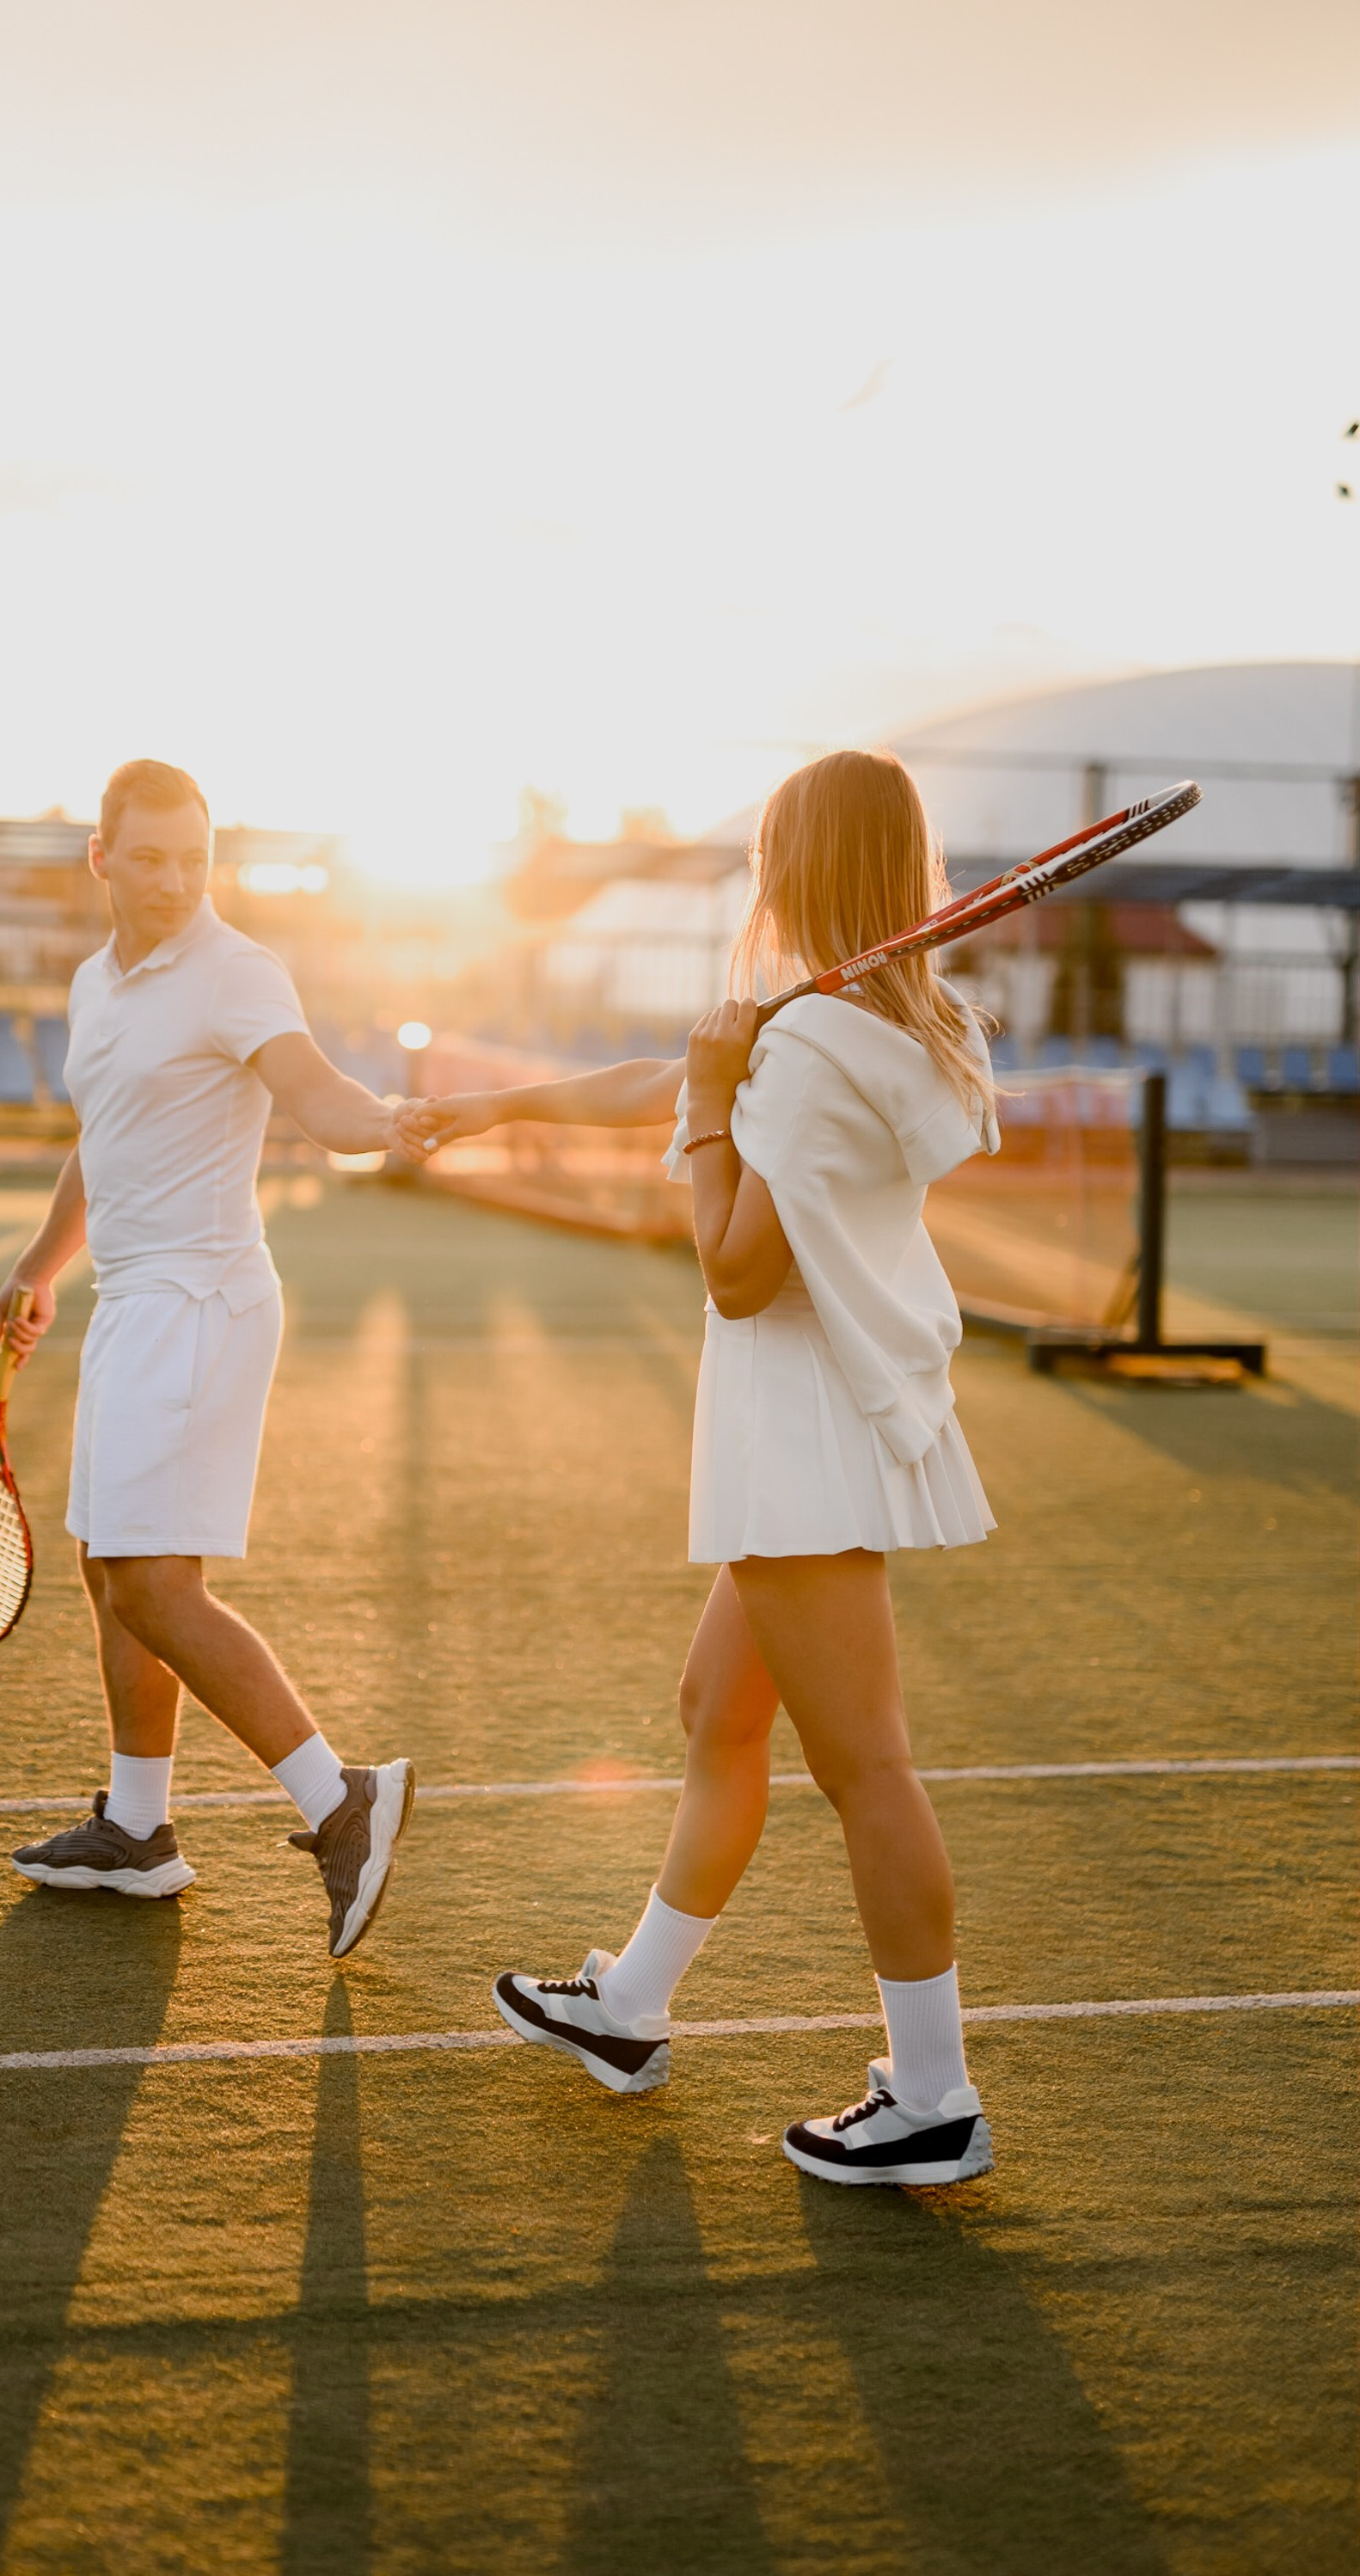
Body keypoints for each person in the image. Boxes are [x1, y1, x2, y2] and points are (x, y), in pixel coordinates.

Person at [411, 749, 999, 2185]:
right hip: (807, 1427)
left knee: (870, 1772)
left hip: (793, 1432)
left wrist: (709, 1106)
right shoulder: (857, 1024)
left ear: (799, 866)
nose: (754, 874)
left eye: (767, 853)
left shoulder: (804, 1051)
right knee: (712, 1712)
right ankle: (629, 2008)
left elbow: (735, 1268)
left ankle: (935, 2100)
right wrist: (502, 1110)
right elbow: (687, 1079)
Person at [0, 758, 420, 1955]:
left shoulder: (238, 972)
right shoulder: (97, 985)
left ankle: (344, 1802)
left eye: (195, 857)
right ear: (102, 859)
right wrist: (40, 1265)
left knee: (154, 1586)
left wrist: (387, 1122)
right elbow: (104, 1137)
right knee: (104, 1567)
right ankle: (138, 1831)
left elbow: (318, 1095)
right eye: (151, 857)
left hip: (204, 1301)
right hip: (134, 1298)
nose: (177, 881)